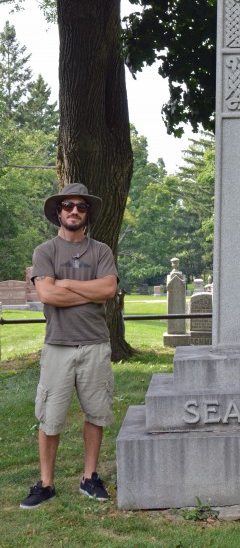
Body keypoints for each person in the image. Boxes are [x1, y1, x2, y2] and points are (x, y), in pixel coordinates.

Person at [20, 183, 118, 509]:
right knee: (50, 416)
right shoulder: (45, 251)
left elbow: (107, 289)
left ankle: (90, 478)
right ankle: (46, 483)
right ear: (58, 212)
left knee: (96, 412)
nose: (74, 211)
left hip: (95, 345)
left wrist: (66, 283)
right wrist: (86, 290)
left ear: (87, 213)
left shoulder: (101, 251)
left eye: (81, 206)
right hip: (58, 346)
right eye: (68, 206)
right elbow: (47, 295)